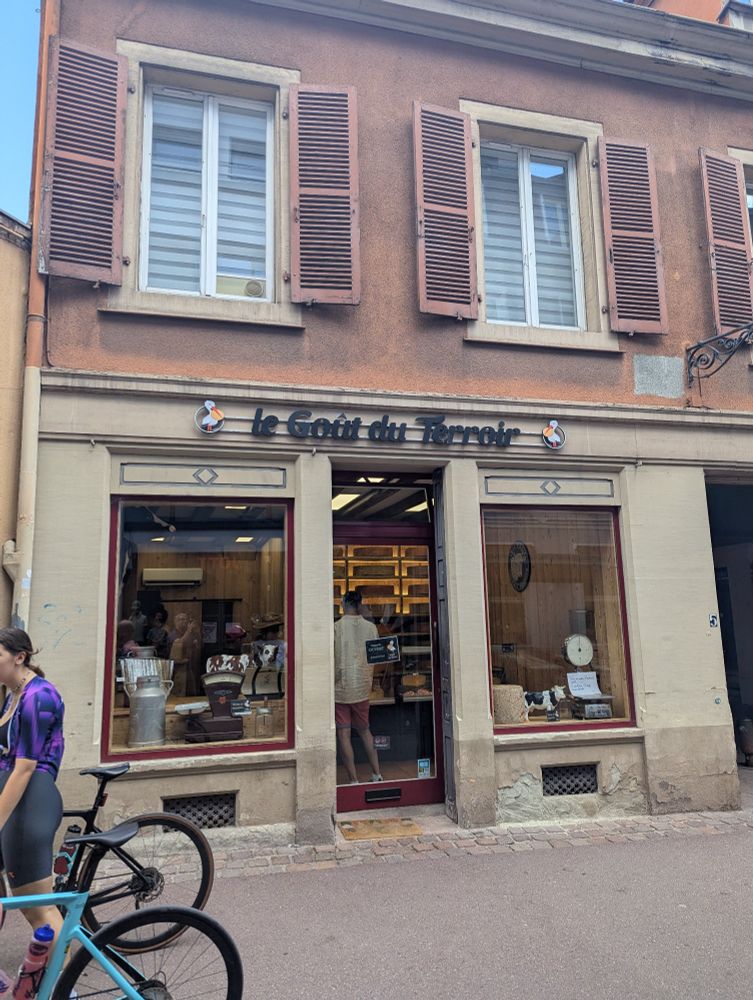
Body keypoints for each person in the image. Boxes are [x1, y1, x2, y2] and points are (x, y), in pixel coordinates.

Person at [0, 628, 65, 942]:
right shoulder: (13, 695)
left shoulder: (39, 696)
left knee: (36, 909)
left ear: (19, 657)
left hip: (28, 803)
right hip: (12, 802)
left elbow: (25, 767)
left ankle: (62, 988)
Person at [334, 591, 383, 784]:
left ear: (344, 603)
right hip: (362, 687)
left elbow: (334, 658)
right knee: (365, 730)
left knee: (344, 734)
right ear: (360, 604)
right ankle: (377, 773)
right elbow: (377, 656)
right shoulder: (371, 628)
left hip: (341, 688)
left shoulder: (336, 628)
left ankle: (353, 779)